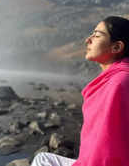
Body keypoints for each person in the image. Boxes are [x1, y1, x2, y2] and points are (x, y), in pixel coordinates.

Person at [31, 16, 129, 166]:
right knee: (42, 158)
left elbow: (107, 144)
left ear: (116, 47)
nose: (88, 40)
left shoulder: (119, 82)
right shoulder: (114, 78)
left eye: (97, 36)